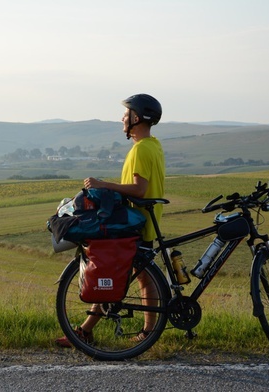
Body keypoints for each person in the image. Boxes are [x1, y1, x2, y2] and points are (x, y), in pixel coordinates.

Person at [56, 93, 165, 347]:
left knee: (111, 270)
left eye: (126, 114)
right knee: (140, 277)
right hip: (147, 220)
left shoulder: (140, 151)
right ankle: (145, 331)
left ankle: (85, 332)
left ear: (136, 118)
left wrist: (103, 185)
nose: (122, 118)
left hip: (135, 222)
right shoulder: (154, 145)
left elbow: (138, 190)